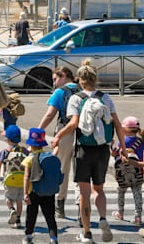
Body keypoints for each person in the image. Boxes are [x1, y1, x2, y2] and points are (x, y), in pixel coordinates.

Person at [50, 60, 125, 243]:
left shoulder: (76, 98)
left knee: (84, 192)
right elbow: (117, 124)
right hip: (102, 150)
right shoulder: (105, 97)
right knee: (98, 189)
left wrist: (58, 136)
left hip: (83, 149)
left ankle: (87, 232)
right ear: (95, 78)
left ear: (80, 81)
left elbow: (73, 124)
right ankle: (103, 218)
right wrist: (123, 147)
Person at [37, 66, 79, 218]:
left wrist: (39, 131)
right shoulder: (83, 89)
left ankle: (60, 204)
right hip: (84, 133)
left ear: (63, 76)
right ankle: (81, 205)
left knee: (62, 168)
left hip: (65, 131)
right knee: (80, 170)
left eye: (55, 79)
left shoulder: (61, 92)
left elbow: (50, 115)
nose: (54, 83)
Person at [22, 127, 62, 244]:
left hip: (34, 192)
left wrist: (25, 193)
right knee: (50, 216)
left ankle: (28, 236)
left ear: (31, 145)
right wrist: (57, 145)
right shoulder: (49, 156)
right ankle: (53, 238)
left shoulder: (29, 159)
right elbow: (56, 152)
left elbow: (26, 177)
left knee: (31, 215)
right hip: (49, 192)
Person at [112, 116, 144, 226]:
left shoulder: (122, 141)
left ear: (124, 129)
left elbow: (114, 154)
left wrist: (111, 147)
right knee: (137, 193)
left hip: (122, 172)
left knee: (121, 192)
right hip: (137, 172)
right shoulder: (142, 141)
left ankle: (120, 213)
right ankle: (138, 217)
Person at [0, 125, 28, 228]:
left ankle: (11, 210)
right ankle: (18, 220)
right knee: (19, 200)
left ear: (8, 139)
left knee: (8, 198)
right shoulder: (24, 151)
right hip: (22, 180)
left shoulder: (5, 151)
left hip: (10, 180)